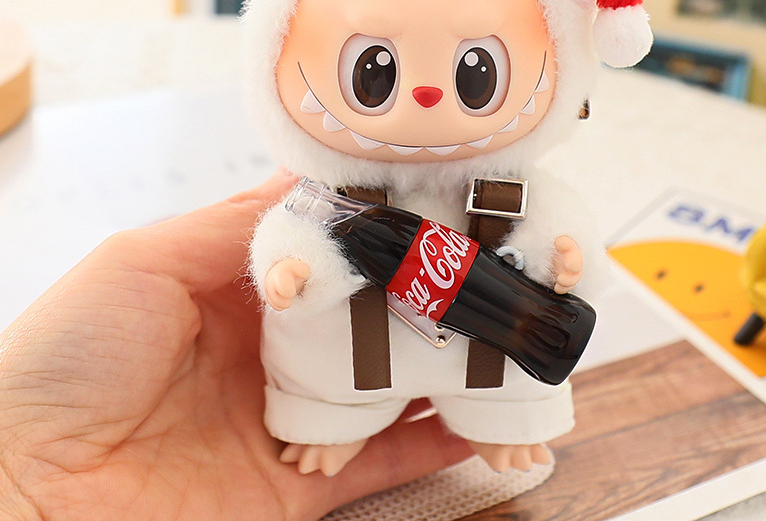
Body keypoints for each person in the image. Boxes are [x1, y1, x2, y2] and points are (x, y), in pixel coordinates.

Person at [0, 170, 471, 520]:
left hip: (480, 360)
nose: (425, 98)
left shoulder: (498, 191)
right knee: (328, 399)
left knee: (494, 397)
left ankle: (496, 424)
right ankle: (331, 429)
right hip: (336, 372)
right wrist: (293, 266)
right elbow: (291, 237)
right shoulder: (321, 199)